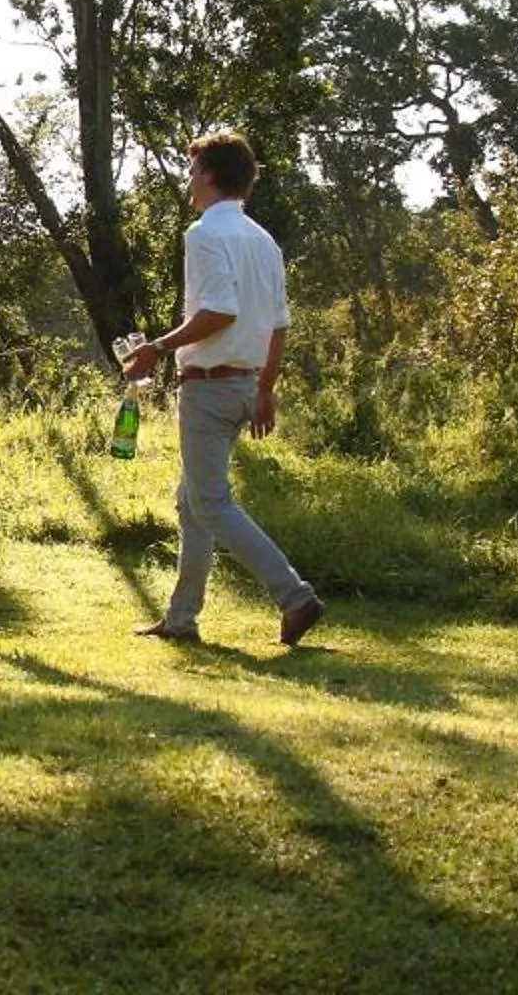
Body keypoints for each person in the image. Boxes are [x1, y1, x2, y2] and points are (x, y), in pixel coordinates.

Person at [120, 130, 327, 647]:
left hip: (210, 388)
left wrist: (157, 349)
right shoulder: (263, 240)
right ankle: (181, 618)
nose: (189, 181)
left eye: (192, 171)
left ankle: (294, 595)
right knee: (192, 501)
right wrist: (265, 389)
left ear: (210, 175)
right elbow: (278, 324)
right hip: (245, 385)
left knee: (209, 502)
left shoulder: (204, 234)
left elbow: (220, 312)